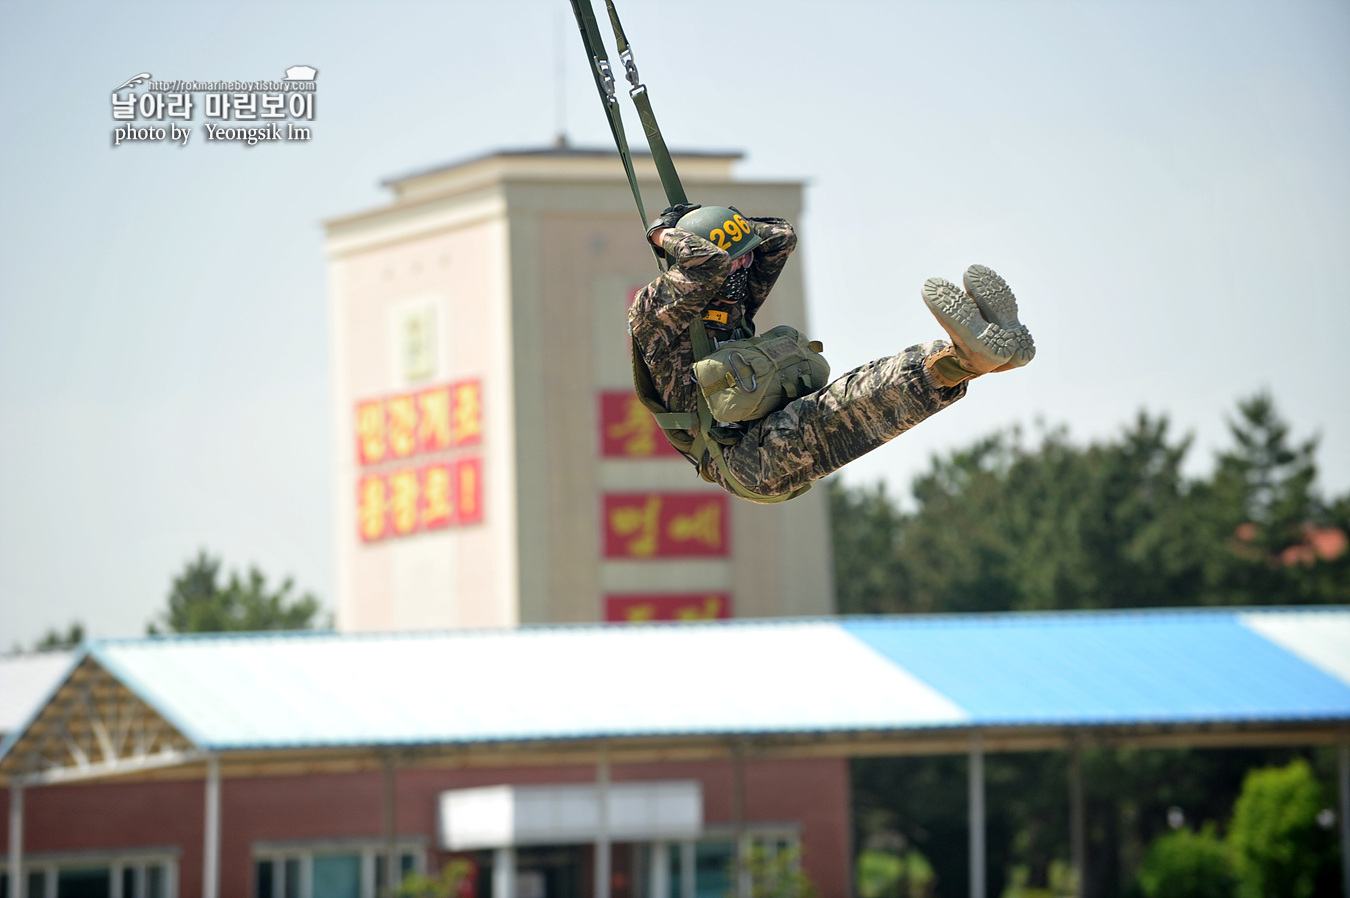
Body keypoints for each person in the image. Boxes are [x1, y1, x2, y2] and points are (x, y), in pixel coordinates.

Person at [628, 202, 1035, 501]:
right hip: (742, 460)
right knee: (846, 406)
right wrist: (663, 234)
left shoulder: (732, 304)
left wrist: (728, 225)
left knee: (862, 393)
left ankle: (968, 362)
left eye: (746, 256)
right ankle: (963, 358)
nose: (743, 267)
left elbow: (781, 236)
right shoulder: (655, 314)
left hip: (767, 431)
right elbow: (711, 262)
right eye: (737, 261)